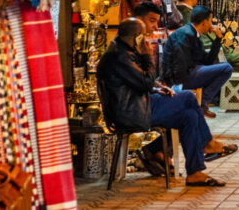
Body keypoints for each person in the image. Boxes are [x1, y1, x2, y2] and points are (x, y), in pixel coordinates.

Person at [97, 18, 228, 187]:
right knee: (188, 97)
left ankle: (195, 172)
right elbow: (145, 80)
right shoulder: (120, 57)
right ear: (136, 36)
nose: (145, 38)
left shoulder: (121, 51)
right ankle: (207, 143)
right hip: (133, 112)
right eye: (143, 35)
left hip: (138, 105)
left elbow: (139, 83)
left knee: (188, 116)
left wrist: (157, 89)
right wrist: (146, 56)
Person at [162, 5, 234, 117]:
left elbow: (207, 60)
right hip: (181, 78)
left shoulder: (194, 34)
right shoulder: (185, 34)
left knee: (224, 68)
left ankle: (201, 103)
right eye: (210, 21)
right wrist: (178, 89)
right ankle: (201, 103)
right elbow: (179, 64)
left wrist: (218, 39)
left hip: (190, 73)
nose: (211, 25)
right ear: (204, 22)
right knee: (226, 68)